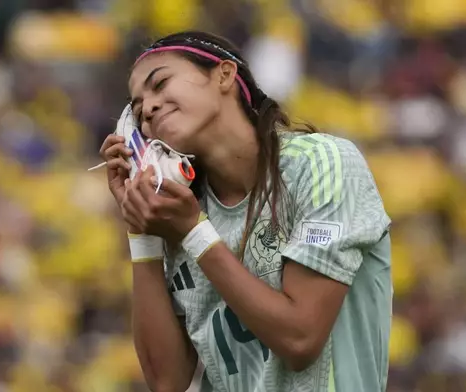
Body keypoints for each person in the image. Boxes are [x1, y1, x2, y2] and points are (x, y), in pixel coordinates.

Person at [99, 31, 392, 392]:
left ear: (224, 74)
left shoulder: (322, 163)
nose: (149, 108)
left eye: (160, 83)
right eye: (138, 108)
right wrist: (141, 231)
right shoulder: (178, 211)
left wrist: (195, 234)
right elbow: (167, 382)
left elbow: (300, 340)